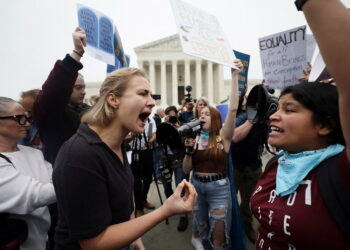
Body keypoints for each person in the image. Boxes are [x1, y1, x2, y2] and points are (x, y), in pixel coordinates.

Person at [52, 66, 197, 249]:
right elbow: (93, 243)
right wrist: (166, 210)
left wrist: (134, 238)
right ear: (113, 99)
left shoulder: (116, 144)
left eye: (151, 95)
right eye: (143, 94)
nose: (152, 102)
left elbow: (124, 201)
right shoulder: (79, 156)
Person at [249, 1, 350, 249]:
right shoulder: (276, 163)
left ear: (325, 125)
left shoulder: (342, 170)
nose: (273, 116)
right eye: (277, 107)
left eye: (289, 109)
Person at [183, 60, 243, 250]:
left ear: (216, 118)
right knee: (202, 234)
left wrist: (234, 77)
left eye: (207, 114)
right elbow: (186, 169)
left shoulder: (223, 137)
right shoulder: (196, 138)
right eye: (200, 113)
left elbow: (233, 110)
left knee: (218, 239)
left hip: (219, 190)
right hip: (197, 187)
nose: (202, 116)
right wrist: (188, 151)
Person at [0, 97, 56, 250]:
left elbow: (54, 180)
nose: (28, 124)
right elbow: (34, 195)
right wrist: (80, 181)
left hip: (43, 241)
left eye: (27, 117)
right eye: (19, 118)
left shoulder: (33, 153)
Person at [33, 27, 89, 165]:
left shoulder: (88, 111)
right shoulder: (52, 114)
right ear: (65, 88)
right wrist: (77, 53)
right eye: (78, 87)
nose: (83, 92)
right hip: (62, 174)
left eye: (84, 87)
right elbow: (54, 91)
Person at [230, 94, 268, 243]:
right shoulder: (241, 118)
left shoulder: (262, 120)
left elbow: (267, 140)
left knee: (248, 201)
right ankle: (231, 227)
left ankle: (247, 226)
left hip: (253, 166)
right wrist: (252, 120)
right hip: (236, 166)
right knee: (230, 199)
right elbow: (236, 137)